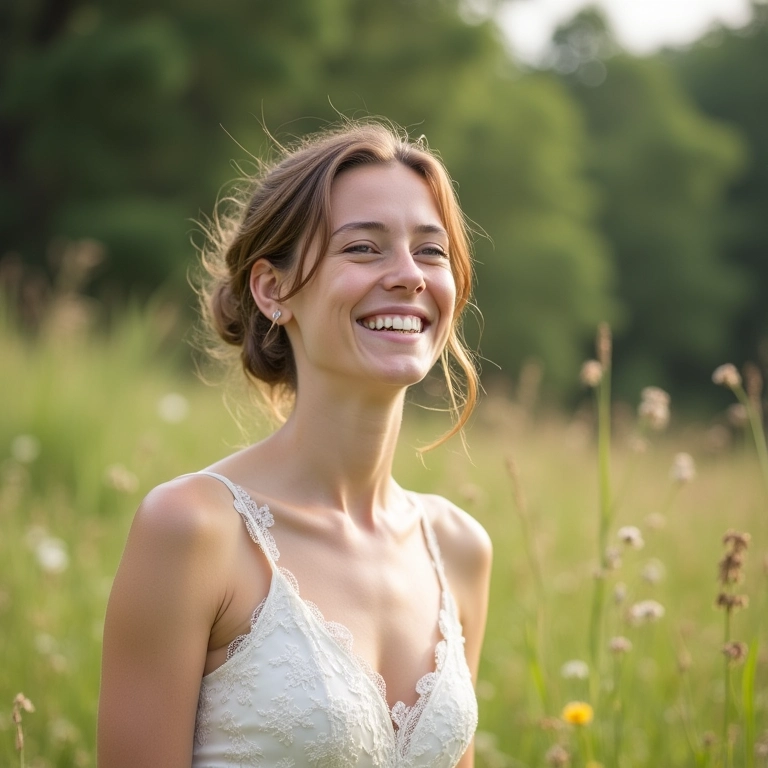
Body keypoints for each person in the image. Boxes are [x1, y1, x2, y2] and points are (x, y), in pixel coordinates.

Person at [97, 119, 492, 767]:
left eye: (431, 251)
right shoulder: (193, 529)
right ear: (272, 289)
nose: (409, 276)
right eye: (363, 248)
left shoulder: (459, 548)